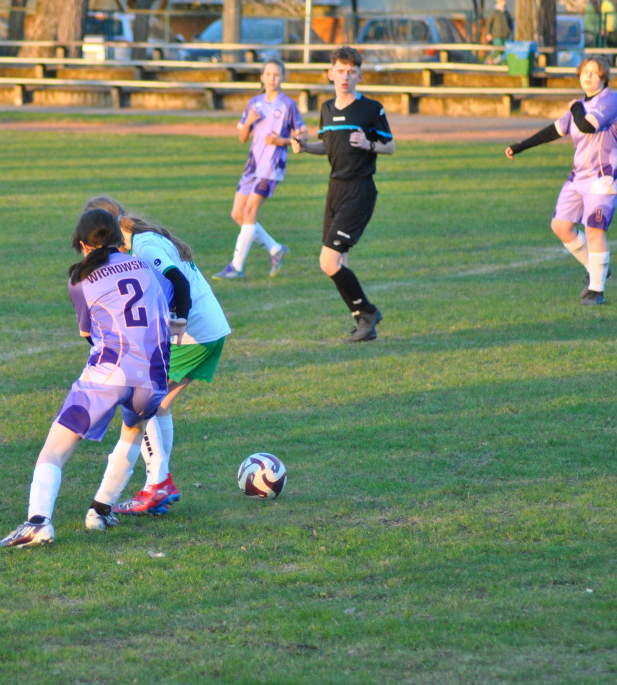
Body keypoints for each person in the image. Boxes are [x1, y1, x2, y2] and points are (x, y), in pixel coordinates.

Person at [0, 209, 172, 548]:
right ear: (119, 239)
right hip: (153, 375)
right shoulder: (143, 266)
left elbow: (89, 333)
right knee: (132, 434)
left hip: (109, 374)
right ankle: (99, 511)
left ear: (82, 244)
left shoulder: (80, 279)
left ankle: (38, 522)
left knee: (54, 450)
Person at [84, 196, 231, 516]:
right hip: (207, 331)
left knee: (142, 402)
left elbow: (178, 280)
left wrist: (179, 317)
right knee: (158, 404)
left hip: (193, 334)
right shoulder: (137, 241)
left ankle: (158, 483)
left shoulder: (145, 247)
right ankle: (159, 485)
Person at [291, 46, 394, 342]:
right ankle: (363, 322)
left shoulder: (371, 109)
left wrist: (369, 144)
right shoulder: (326, 108)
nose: (345, 77)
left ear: (359, 75)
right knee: (339, 262)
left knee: (329, 262)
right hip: (334, 188)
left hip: (360, 189)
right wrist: (305, 146)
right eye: (340, 71)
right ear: (330, 73)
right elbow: (328, 145)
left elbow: (390, 146)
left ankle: (369, 312)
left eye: (351, 72)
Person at [504, 56, 617, 306]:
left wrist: (575, 108)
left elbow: (587, 126)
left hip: (604, 177)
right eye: (585, 72)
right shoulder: (578, 105)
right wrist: (520, 146)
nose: (589, 76)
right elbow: (553, 131)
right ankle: (597, 267)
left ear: (604, 77)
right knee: (560, 226)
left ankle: (596, 290)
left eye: (594, 72)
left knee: (593, 229)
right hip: (578, 176)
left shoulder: (611, 100)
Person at [212, 58, 308, 280]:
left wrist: (282, 141)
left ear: (282, 77)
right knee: (238, 214)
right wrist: (248, 122)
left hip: (271, 167)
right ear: (262, 77)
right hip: (252, 166)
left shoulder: (288, 105)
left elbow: (303, 134)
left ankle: (236, 267)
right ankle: (275, 249)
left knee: (249, 212)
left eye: (276, 75)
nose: (272, 79)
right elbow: (242, 138)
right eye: (268, 74)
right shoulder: (254, 103)